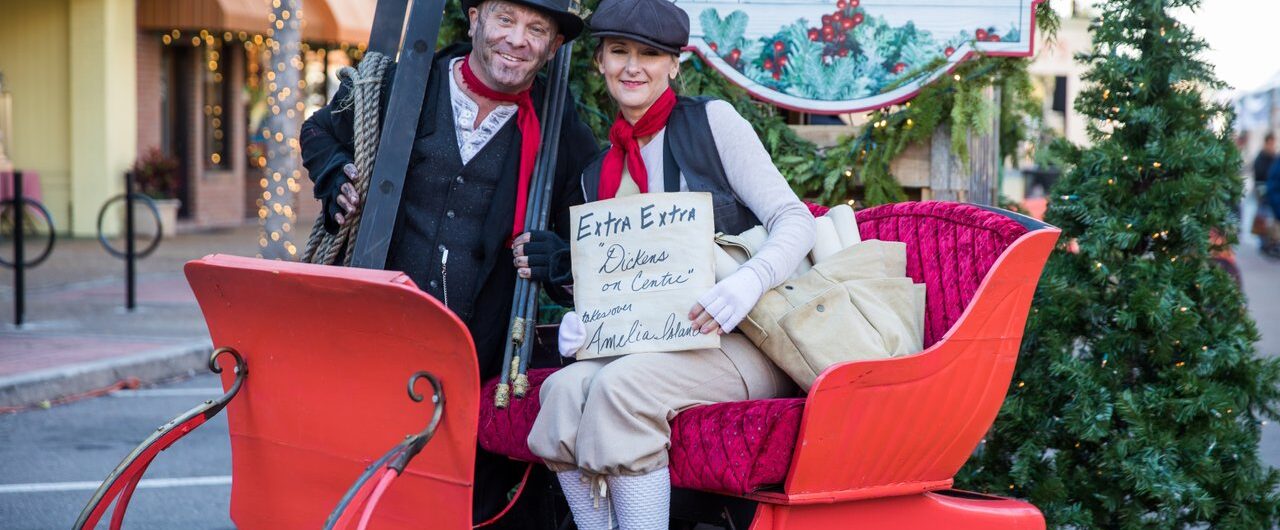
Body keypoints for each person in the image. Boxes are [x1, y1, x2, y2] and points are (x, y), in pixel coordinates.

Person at [512, 0, 815, 527]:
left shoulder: (711, 125)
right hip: (653, 348)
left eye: (650, 54)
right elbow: (618, 284)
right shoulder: (595, 176)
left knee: (622, 388)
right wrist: (588, 320)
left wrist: (749, 281)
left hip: (745, 340)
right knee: (560, 392)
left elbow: (795, 219)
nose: (633, 67)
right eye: (619, 52)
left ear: (674, 64)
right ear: (600, 62)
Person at [299, 1, 598, 526]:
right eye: (505, 20)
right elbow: (319, 131)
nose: (517, 40)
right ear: (476, 18)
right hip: (378, 333)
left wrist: (559, 258)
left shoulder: (557, 122)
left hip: (479, 356)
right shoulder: (407, 81)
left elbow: (590, 230)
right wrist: (334, 175)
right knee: (366, 481)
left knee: (456, 498)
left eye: (536, 29)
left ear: (553, 47)